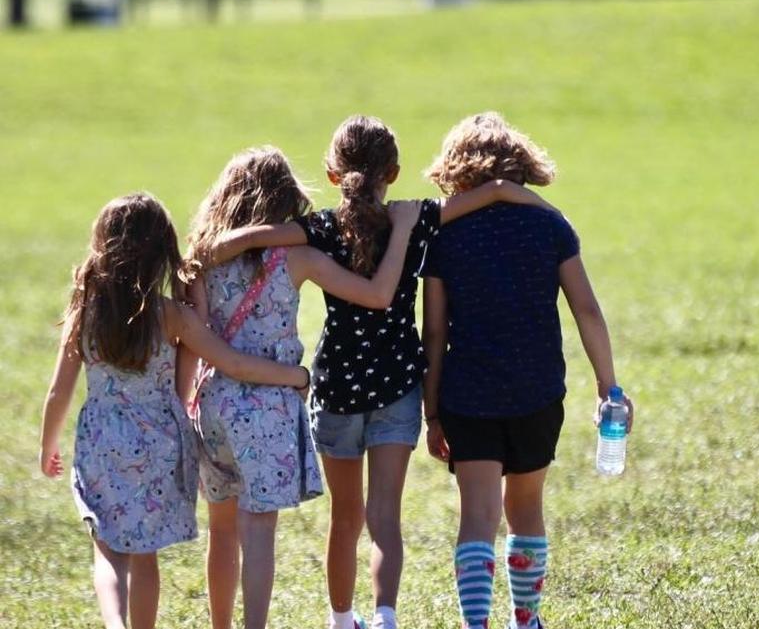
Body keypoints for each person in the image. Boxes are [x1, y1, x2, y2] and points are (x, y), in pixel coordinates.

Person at [200, 115, 556, 629]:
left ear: (330, 172)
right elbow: (494, 191)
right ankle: (385, 616)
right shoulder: (416, 219)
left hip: (338, 388)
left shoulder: (319, 228)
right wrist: (535, 202)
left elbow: (242, 240)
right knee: (385, 519)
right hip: (397, 387)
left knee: (344, 520)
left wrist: (213, 246)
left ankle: (343, 620)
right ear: (394, 170)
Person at [183, 145, 429, 629]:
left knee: (221, 530)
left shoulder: (201, 261)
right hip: (268, 410)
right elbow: (375, 295)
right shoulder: (296, 260)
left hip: (211, 404)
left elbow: (192, 341)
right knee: (259, 529)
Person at [37, 193, 310, 629]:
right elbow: (233, 363)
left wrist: (47, 444)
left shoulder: (83, 313)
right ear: (161, 253)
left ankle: (114, 623)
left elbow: (57, 392)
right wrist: (295, 376)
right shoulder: (170, 316)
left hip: (102, 442)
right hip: (161, 440)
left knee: (108, 549)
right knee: (145, 555)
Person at [420, 112, 634, 629]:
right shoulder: (549, 224)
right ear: (522, 165)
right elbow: (586, 309)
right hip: (537, 391)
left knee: (476, 516)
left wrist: (432, 409)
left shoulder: (445, 237)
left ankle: (477, 623)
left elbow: (434, 331)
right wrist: (610, 386)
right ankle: (526, 619)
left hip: (467, 394)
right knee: (527, 507)